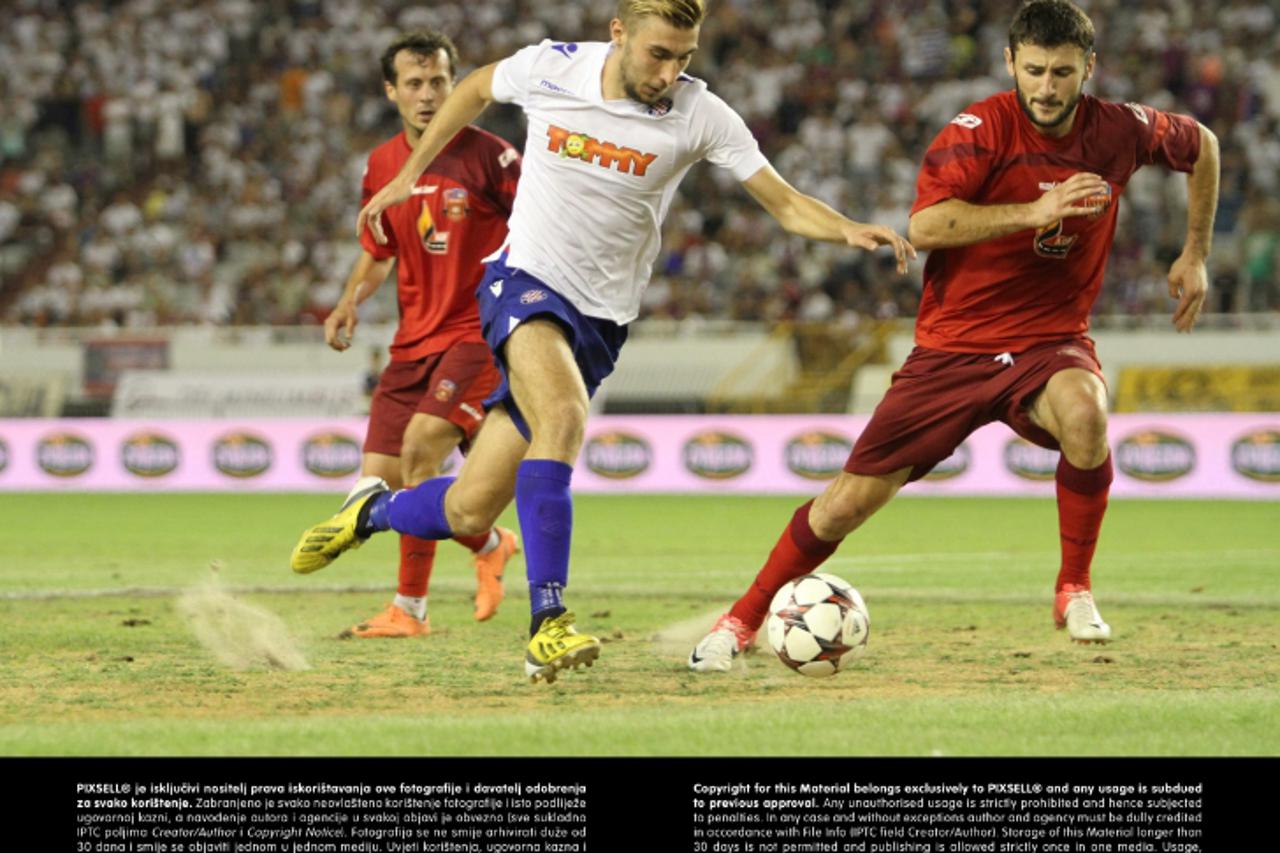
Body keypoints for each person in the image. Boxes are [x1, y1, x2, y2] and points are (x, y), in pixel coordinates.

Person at [291, 0, 914, 683]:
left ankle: (370, 509)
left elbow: (784, 200)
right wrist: (412, 172)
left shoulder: (701, 113)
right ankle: (547, 623)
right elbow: (472, 88)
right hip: (521, 280)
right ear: (618, 34)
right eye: (658, 54)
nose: (671, 72)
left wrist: (848, 227)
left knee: (469, 504)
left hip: (601, 321)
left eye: (685, 57)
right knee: (563, 417)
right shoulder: (553, 68)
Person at [688, 0, 1219, 672]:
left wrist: (1194, 252)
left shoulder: (1120, 129)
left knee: (1087, 413)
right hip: (952, 350)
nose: (1048, 87)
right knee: (844, 505)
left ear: (1089, 66)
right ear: (1009, 64)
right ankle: (740, 619)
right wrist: (1040, 209)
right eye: (1034, 71)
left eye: (1062, 72)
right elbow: (928, 227)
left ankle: (1074, 589)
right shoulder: (977, 130)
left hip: (1047, 342)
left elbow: (1203, 145)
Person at [294, 31, 522, 638]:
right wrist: (347, 300)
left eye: (439, 82)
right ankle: (489, 544)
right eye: (415, 84)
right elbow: (379, 249)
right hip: (410, 341)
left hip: (477, 331)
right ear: (391, 91)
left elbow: (539, 231)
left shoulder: (493, 158)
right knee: (384, 482)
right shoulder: (381, 165)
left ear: (456, 85)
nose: (428, 96)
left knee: (423, 450)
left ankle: (411, 608)